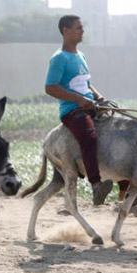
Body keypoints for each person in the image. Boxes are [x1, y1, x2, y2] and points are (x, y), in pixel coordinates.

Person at [45, 15, 113, 205]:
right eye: (78, 28)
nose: (82, 31)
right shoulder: (59, 58)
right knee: (89, 136)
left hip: (91, 106)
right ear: (66, 31)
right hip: (73, 111)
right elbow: (50, 87)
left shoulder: (81, 56)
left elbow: (87, 84)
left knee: (119, 133)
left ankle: (128, 187)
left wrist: (99, 97)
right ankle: (96, 185)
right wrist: (79, 99)